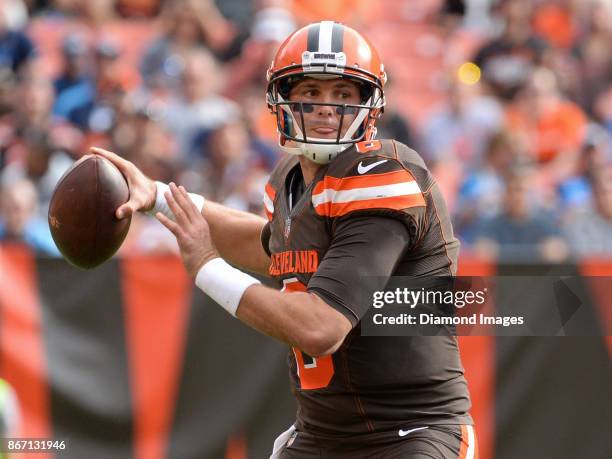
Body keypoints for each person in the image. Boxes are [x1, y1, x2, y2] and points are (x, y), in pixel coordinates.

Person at [93, 21, 476, 458]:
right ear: (281, 99)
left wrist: (208, 268)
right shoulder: (290, 180)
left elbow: (320, 327)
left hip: (409, 431)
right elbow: (271, 247)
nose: (325, 108)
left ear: (370, 104)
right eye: (311, 92)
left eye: (343, 94)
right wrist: (158, 197)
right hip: (322, 435)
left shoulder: (383, 176)